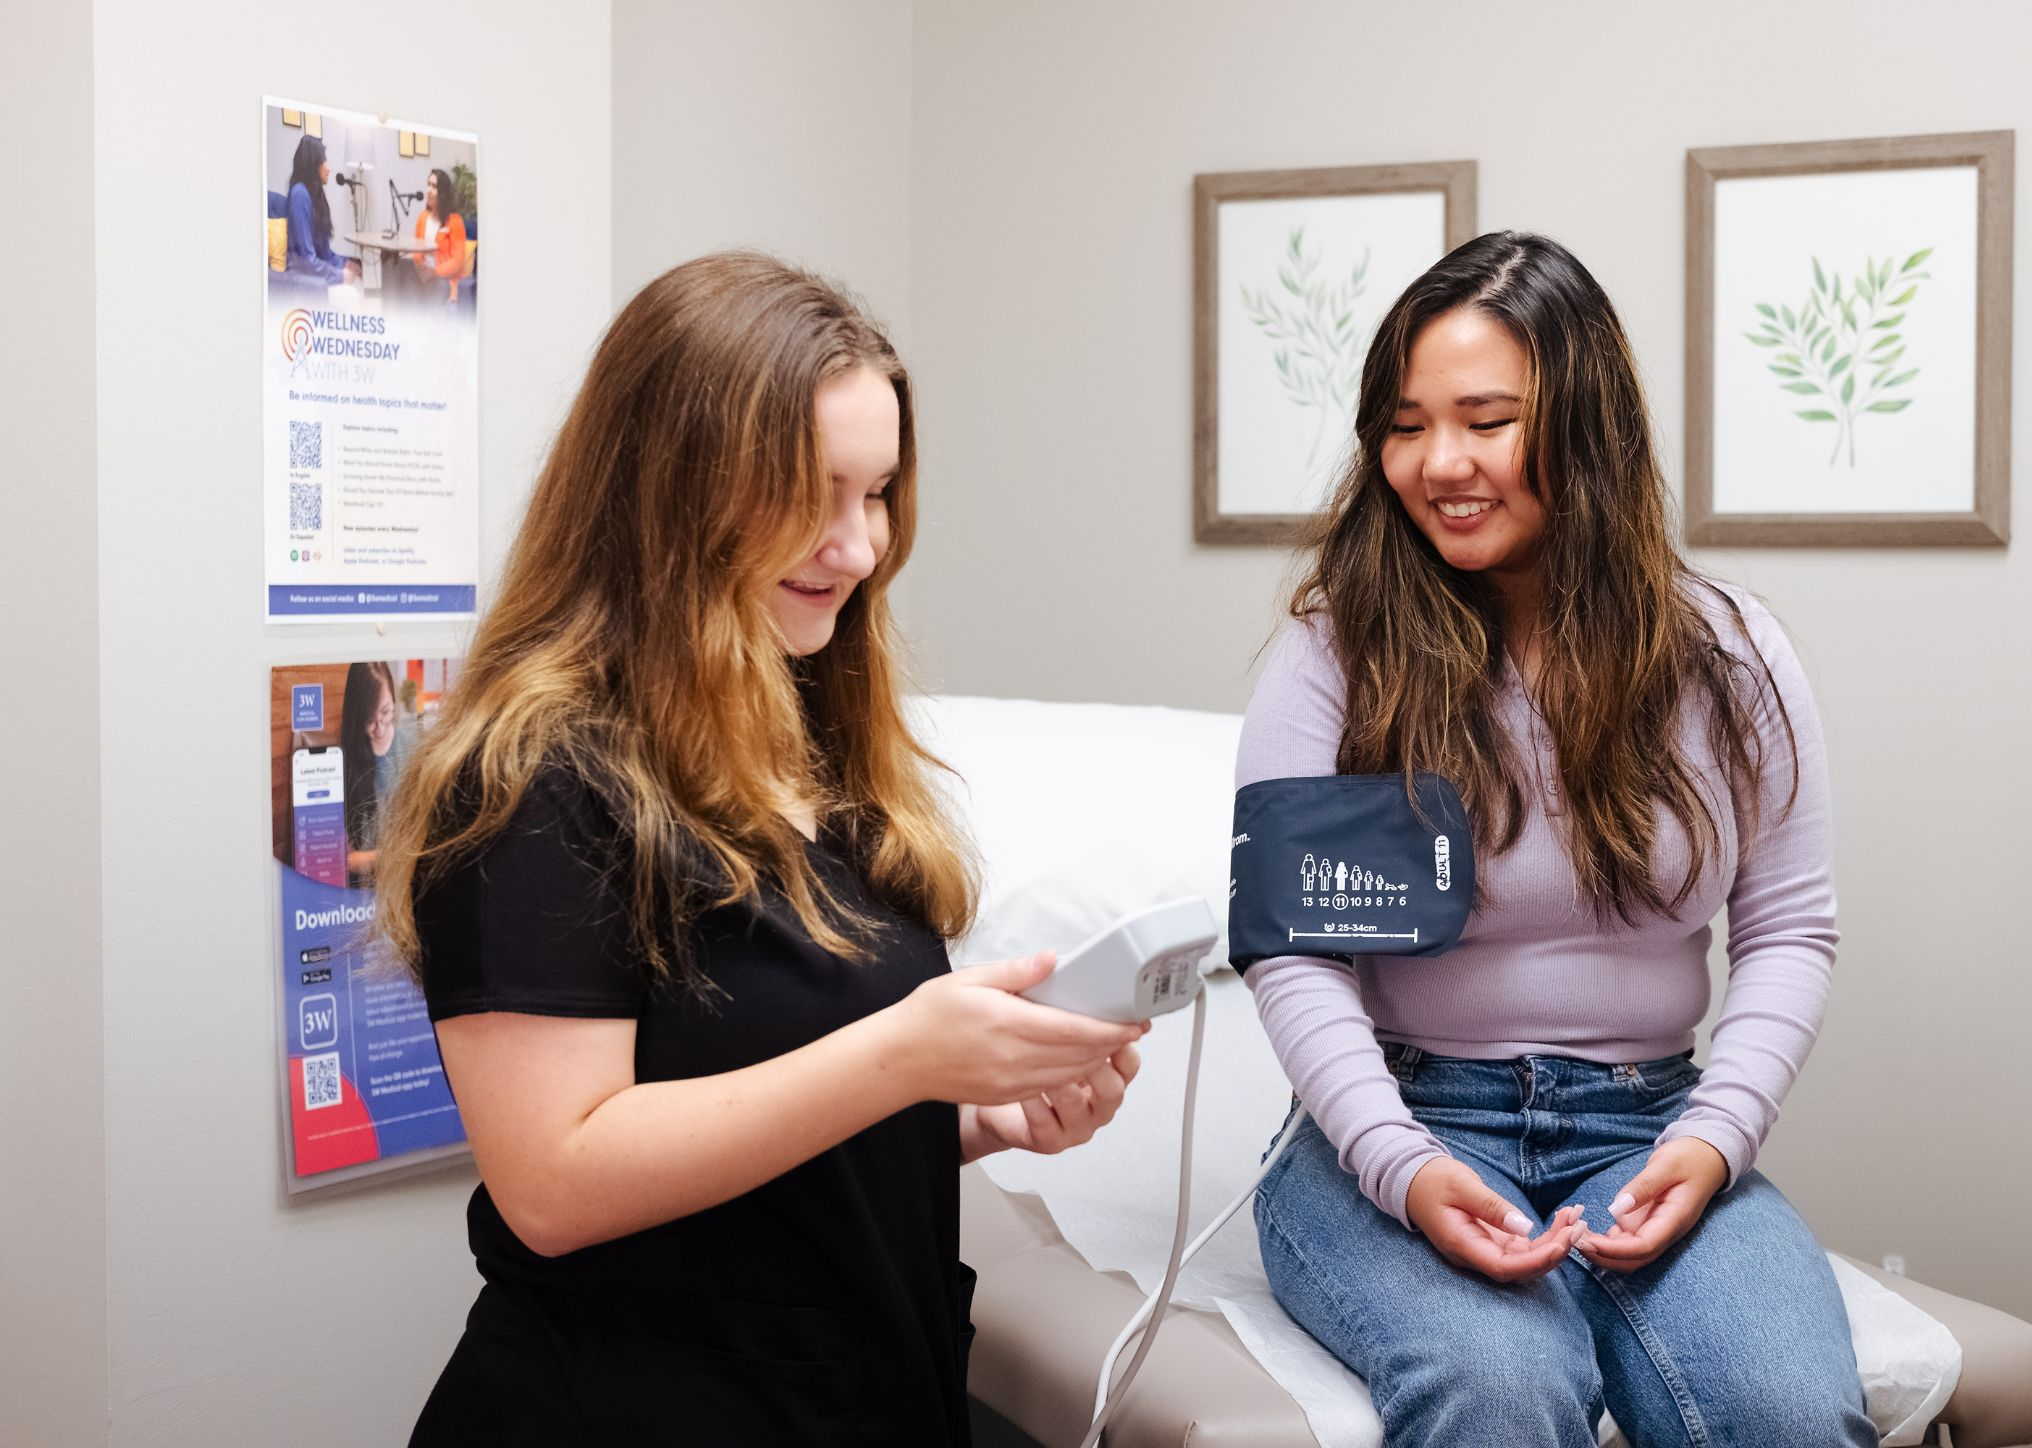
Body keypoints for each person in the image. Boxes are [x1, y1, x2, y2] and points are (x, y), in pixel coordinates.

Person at [373, 252, 1145, 1445]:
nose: (860, 544)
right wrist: (904, 1056)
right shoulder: (536, 776)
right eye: (816, 491)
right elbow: (555, 1182)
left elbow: (772, 1105)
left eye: (878, 492)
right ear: (674, 489)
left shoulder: (819, 752)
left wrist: (976, 1111)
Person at [1240, 232, 1876, 1447]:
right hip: (1403, 1123)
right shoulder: (1340, 657)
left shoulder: (1727, 656)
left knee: (1785, 1409)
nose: (1441, 463)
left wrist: (1713, 1138)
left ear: (1585, 423)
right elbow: (1296, 953)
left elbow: (1790, 926)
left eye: (1486, 419)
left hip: (1648, 1122)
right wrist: (1399, 1161)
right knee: (1502, 1385)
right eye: (1408, 423)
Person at [339, 659, 401, 884]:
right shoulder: (343, 761)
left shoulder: (414, 747)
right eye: (369, 720)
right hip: (361, 898)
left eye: (385, 712)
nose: (380, 727)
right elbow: (342, 860)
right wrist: (394, 858)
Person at [282, 135, 360, 287]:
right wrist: (339, 275)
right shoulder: (300, 195)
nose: (328, 168)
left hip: (314, 273)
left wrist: (345, 264)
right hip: (302, 278)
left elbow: (325, 252)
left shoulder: (315, 196)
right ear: (312, 163)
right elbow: (306, 259)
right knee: (350, 291)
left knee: (355, 276)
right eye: (324, 161)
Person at [404, 167, 468, 303]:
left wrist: (432, 272)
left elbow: (458, 261)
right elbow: (417, 249)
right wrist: (421, 268)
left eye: (434, 186)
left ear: (443, 193)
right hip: (422, 274)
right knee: (407, 284)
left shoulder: (455, 221)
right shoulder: (422, 217)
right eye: (428, 185)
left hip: (443, 278)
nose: (429, 190)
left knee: (436, 291)